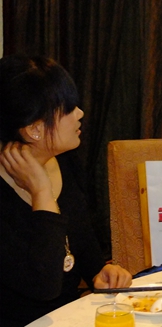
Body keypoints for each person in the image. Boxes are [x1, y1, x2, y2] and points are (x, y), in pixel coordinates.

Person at [0, 55, 132, 327]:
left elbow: (81, 241)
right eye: (69, 109)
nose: (80, 113)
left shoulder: (64, 160)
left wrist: (100, 271)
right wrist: (42, 192)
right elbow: (44, 286)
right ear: (35, 129)